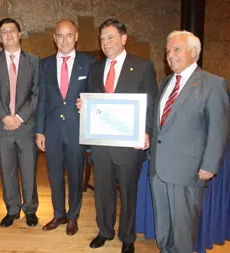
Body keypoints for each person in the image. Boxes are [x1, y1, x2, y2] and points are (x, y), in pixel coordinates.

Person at [77, 19, 158, 252]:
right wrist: (85, 104)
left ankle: (128, 237)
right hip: (102, 145)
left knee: (129, 193)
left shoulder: (143, 67)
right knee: (103, 191)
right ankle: (104, 231)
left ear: (124, 38)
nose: (106, 43)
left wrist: (146, 132)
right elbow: (95, 103)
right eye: (102, 39)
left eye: (111, 37)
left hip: (129, 145)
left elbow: (151, 104)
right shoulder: (95, 68)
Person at [149, 30, 229, 253]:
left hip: (188, 171)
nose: (170, 55)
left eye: (176, 49)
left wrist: (209, 165)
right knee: (163, 227)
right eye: (167, 51)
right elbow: (159, 124)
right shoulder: (166, 82)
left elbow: (219, 128)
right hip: (158, 169)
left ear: (194, 52)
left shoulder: (213, 84)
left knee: (183, 232)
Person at [36, 19, 96, 236]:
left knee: (75, 175)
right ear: (54, 38)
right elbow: (41, 99)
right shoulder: (44, 65)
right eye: (60, 36)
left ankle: (73, 216)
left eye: (68, 35)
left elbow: (96, 96)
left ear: (76, 36)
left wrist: (88, 104)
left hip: (76, 130)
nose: (64, 40)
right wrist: (39, 130)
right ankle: (59, 214)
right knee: (54, 175)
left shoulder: (89, 63)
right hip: (51, 131)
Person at [0, 18, 39, 228]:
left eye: (12, 30)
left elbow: (36, 94)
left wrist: (19, 117)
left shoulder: (34, 61)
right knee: (7, 170)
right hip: (1, 126)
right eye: (3, 32)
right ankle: (12, 209)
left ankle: (30, 209)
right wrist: (5, 117)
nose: (8, 35)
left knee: (29, 170)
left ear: (20, 33)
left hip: (26, 127)